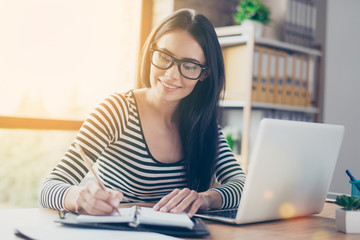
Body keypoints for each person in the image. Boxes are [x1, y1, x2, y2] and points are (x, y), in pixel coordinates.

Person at [39, 8, 246, 218]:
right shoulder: (117, 110)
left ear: (205, 74)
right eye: (165, 57)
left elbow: (242, 186)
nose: (171, 74)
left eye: (190, 66)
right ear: (151, 52)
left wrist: (206, 199)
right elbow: (49, 188)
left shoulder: (203, 125)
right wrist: (79, 197)